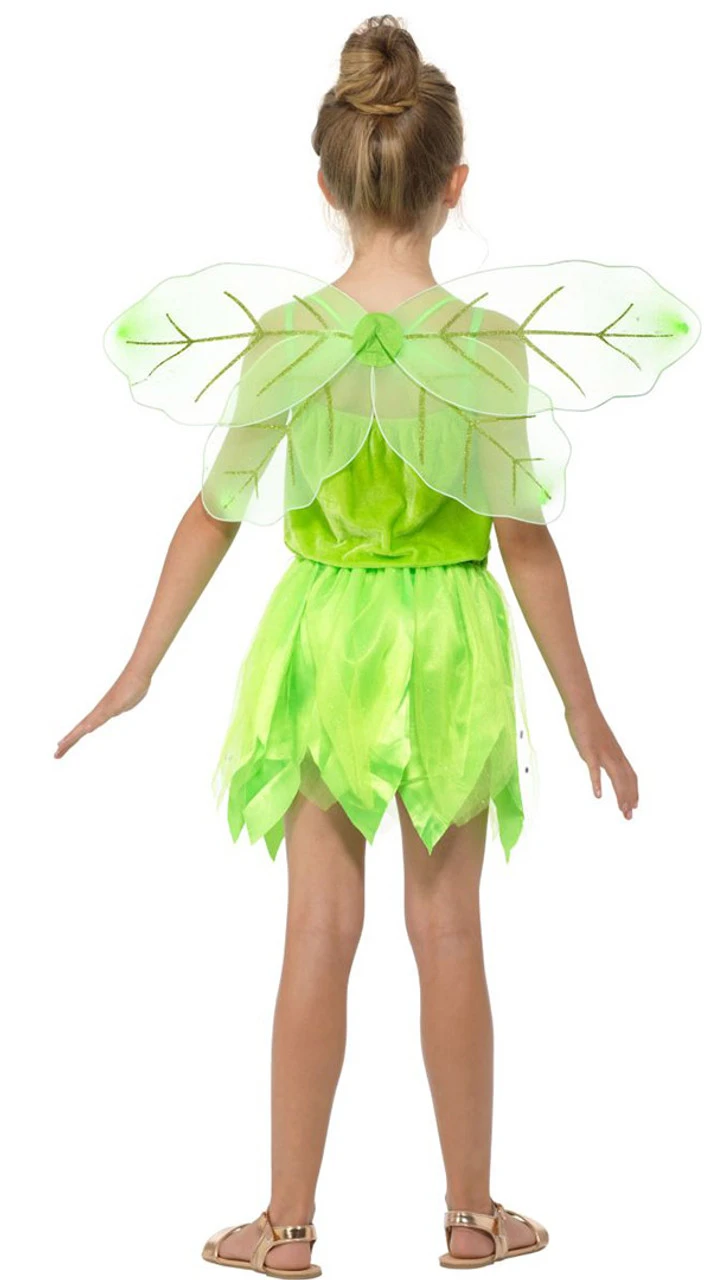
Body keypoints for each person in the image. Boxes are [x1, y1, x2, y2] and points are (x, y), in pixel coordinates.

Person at [55, 13, 700, 1275]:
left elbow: (214, 511)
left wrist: (139, 667)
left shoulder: (287, 338)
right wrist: (585, 709)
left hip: (325, 635)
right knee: (447, 927)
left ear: (325, 183)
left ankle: (287, 1227)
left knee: (316, 928)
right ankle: (470, 1214)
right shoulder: (486, 345)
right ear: (454, 185)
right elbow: (523, 537)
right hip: (449, 635)